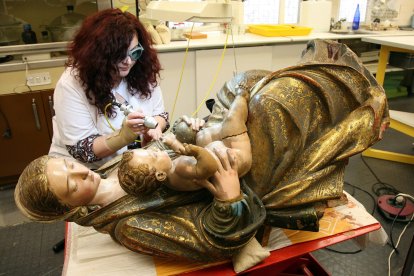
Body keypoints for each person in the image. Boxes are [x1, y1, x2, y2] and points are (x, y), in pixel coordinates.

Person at [49, 8, 169, 170]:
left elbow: (160, 115)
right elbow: (82, 150)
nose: (128, 61)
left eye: (134, 52)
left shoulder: (142, 71)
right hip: (84, 170)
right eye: (119, 55)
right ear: (99, 54)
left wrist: (156, 128)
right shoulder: (71, 84)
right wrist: (123, 136)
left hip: (131, 163)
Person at [117, 86, 252, 196]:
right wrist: (197, 152)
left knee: (202, 136)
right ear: (160, 175)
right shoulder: (181, 168)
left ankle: (223, 124)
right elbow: (209, 167)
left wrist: (174, 144)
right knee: (232, 120)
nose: (155, 149)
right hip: (236, 157)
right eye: (154, 154)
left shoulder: (170, 174)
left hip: (221, 152)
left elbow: (182, 152)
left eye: (148, 149)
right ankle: (242, 95)